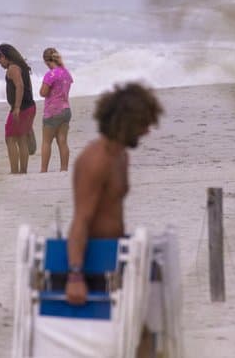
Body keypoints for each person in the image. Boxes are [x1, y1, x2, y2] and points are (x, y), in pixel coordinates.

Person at [66, 82, 163, 306]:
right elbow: (81, 220)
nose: (147, 131)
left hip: (114, 254)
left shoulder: (121, 157)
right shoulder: (96, 161)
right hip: (93, 262)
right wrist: (75, 275)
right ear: (125, 123)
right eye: (142, 124)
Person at [0, 43, 37, 174]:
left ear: (4, 56)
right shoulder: (23, 67)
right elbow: (27, 86)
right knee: (21, 138)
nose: (0, 64)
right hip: (30, 105)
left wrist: (17, 107)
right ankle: (23, 170)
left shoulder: (13, 68)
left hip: (21, 107)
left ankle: (14, 170)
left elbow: (20, 86)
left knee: (10, 138)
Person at [39, 47, 74, 173]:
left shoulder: (51, 74)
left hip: (52, 111)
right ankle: (64, 169)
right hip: (66, 109)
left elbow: (43, 92)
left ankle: (44, 170)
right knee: (63, 141)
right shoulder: (66, 73)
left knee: (46, 142)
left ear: (46, 61)